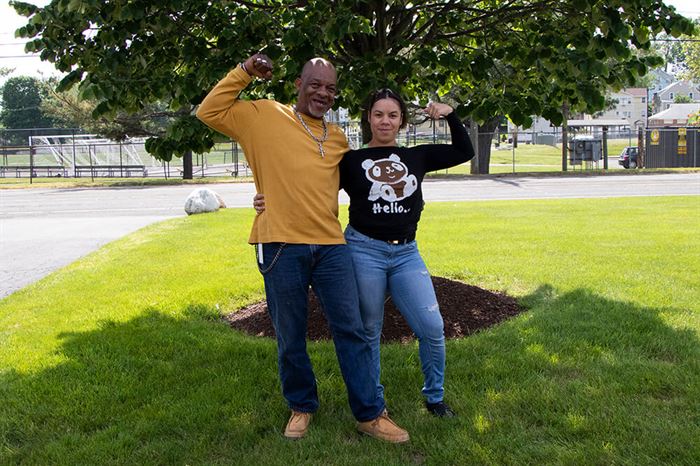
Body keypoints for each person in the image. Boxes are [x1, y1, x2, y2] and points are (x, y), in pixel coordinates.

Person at [196, 53, 409, 443]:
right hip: (280, 244)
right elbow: (209, 111)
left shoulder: (339, 138)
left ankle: (370, 413)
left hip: (331, 246)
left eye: (330, 88)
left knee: (353, 329)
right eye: (314, 84)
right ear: (298, 84)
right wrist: (243, 72)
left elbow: (360, 187)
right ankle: (301, 406)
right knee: (290, 334)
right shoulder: (262, 115)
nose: (322, 93)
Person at [255, 88, 474, 417]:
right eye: (378, 114)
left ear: (401, 121)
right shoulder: (351, 161)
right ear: (369, 118)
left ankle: (435, 397)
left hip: (406, 254)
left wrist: (449, 114)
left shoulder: (418, 156)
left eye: (393, 115)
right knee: (369, 329)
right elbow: (309, 186)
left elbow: (464, 150)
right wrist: (268, 198)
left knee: (432, 326)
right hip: (362, 251)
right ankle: (375, 404)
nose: (385, 121)